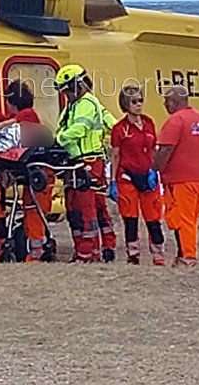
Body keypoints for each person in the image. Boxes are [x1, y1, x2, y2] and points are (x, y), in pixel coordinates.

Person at [55, 64, 117, 262]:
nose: (65, 94)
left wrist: (58, 140)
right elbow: (113, 126)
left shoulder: (87, 105)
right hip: (78, 162)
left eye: (66, 89)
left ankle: (89, 253)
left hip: (88, 162)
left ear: (76, 85)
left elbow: (78, 130)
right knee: (79, 208)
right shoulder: (78, 105)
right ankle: (98, 248)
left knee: (85, 209)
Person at [153, 84, 199, 268]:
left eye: (166, 100)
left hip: (181, 181)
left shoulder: (176, 121)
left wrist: (154, 166)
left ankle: (188, 258)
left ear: (174, 101)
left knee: (182, 220)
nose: (164, 104)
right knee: (191, 220)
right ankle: (183, 255)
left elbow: (166, 149)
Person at [110, 84, 164, 265]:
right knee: (130, 219)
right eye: (134, 102)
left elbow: (154, 149)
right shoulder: (119, 129)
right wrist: (113, 181)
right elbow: (115, 155)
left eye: (141, 101)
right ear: (126, 104)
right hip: (127, 176)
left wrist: (155, 172)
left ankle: (158, 255)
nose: (139, 105)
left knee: (153, 218)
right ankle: (133, 255)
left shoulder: (149, 123)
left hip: (148, 175)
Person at [4, 79, 54, 262]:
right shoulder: (29, 115)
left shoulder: (26, 117)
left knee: (34, 211)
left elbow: (11, 127)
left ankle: (36, 253)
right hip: (36, 173)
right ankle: (36, 250)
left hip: (39, 173)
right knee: (32, 209)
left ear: (11, 102)